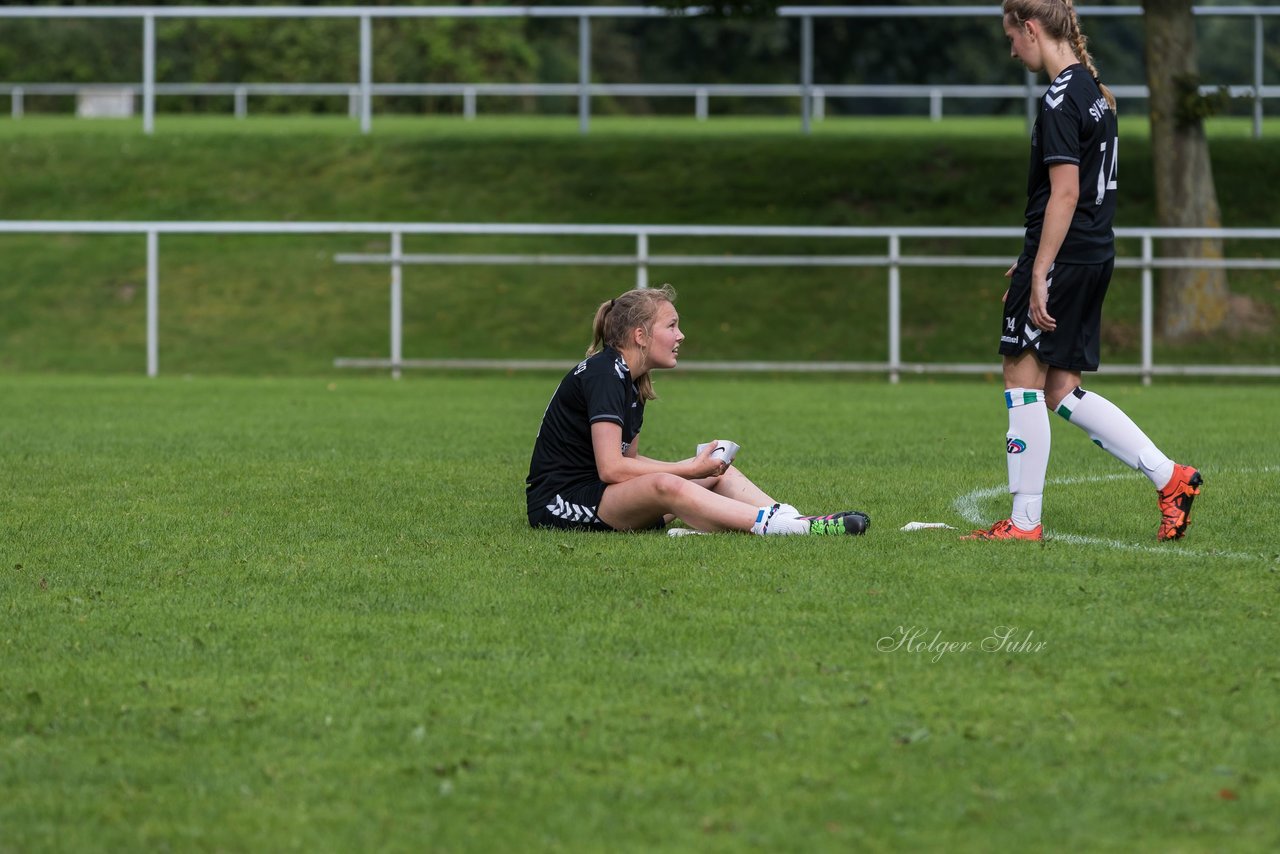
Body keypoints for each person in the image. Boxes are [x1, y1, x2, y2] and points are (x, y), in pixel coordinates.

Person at [965, 0, 1201, 542]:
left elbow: (1065, 191)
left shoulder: (1058, 99)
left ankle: (1024, 523)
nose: (1011, 49)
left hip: (1067, 256)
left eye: (1012, 37)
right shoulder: (1095, 93)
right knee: (1062, 389)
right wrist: (1031, 260)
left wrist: (1040, 269)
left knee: (1021, 379)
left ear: (1030, 28)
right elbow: (1070, 194)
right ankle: (1171, 478)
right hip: (1094, 252)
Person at [526, 284, 869, 536]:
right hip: (562, 504)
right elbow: (612, 469)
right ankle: (782, 528)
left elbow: (629, 459)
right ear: (641, 335)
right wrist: (686, 470)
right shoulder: (605, 374)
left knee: (715, 472)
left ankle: (795, 520)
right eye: (671, 325)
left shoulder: (632, 380)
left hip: (603, 497)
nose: (681, 335)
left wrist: (698, 469)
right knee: (668, 483)